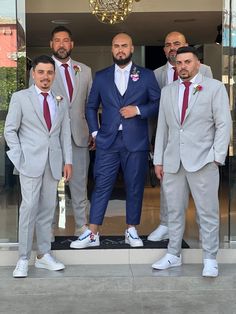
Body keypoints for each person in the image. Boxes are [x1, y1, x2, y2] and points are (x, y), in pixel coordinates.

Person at [70, 32, 160, 249]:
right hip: (107, 141)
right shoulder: (101, 76)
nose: (120, 49)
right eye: (116, 46)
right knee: (101, 185)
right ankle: (92, 233)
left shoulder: (146, 76)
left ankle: (131, 230)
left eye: (124, 46)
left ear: (132, 48)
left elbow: (158, 104)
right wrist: (95, 133)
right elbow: (90, 106)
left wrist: (138, 109)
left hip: (136, 141)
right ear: (112, 49)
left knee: (135, 186)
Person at [151, 46, 231, 277]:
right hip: (173, 162)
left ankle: (209, 258)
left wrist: (217, 157)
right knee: (174, 211)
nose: (183, 66)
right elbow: (162, 128)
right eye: (179, 63)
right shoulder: (167, 91)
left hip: (204, 160)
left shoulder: (214, 87)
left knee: (207, 212)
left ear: (198, 63)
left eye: (187, 62)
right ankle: (173, 254)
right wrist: (159, 160)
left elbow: (223, 123)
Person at [4, 55, 72, 278]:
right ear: (33, 73)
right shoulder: (20, 97)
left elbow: (64, 132)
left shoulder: (60, 100)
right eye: (41, 72)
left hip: (53, 164)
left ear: (54, 75)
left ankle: (43, 255)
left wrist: (67, 161)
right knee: (28, 209)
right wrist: (19, 158)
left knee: (46, 211)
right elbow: (10, 130)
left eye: (49, 73)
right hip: (29, 164)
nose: (45, 77)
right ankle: (23, 259)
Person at [148, 31, 213, 242]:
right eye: (168, 45)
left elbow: (209, 109)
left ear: (186, 45)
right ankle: (166, 224)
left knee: (202, 197)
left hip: (198, 146)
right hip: (169, 140)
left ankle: (205, 237)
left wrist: (215, 152)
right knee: (170, 191)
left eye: (177, 43)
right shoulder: (156, 74)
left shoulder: (205, 71)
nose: (172, 47)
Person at [29, 26, 92, 238]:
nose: (62, 44)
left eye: (66, 40)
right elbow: (35, 107)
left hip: (79, 137)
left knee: (79, 186)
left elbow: (90, 105)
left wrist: (93, 132)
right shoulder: (42, 70)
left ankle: (82, 227)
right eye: (57, 40)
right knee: (50, 189)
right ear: (51, 44)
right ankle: (48, 231)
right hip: (51, 140)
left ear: (72, 44)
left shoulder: (85, 70)